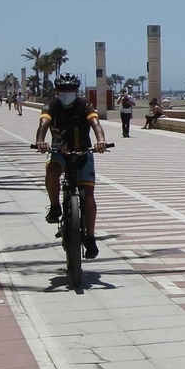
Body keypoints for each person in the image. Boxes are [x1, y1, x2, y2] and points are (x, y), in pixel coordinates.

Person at [35, 74, 107, 259]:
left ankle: (90, 238)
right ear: (57, 91)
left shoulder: (84, 105)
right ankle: (54, 206)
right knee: (51, 170)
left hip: (83, 151)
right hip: (59, 150)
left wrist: (101, 140)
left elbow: (95, 123)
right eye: (63, 90)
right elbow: (44, 123)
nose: (67, 93)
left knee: (89, 195)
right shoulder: (52, 105)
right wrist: (40, 141)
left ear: (77, 90)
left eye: (71, 90)